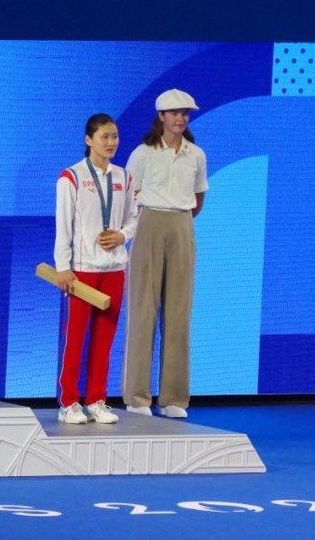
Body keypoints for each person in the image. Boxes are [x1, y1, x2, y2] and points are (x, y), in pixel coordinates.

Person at [122, 88, 207, 419]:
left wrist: (178, 220)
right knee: (143, 310)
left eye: (185, 112)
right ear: (160, 117)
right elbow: (131, 196)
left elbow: (198, 199)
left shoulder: (196, 155)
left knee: (178, 312)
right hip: (149, 223)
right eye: (173, 112)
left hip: (182, 224)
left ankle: (173, 398)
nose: (180, 118)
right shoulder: (142, 154)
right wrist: (154, 218)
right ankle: (137, 397)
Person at [53, 113, 138, 425]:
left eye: (114, 136)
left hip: (115, 269)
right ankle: (69, 402)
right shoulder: (71, 177)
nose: (111, 142)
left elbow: (133, 218)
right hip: (82, 269)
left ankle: (97, 399)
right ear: (89, 140)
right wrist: (64, 267)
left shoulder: (124, 177)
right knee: (76, 338)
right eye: (104, 136)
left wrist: (122, 236)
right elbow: (63, 227)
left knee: (105, 339)